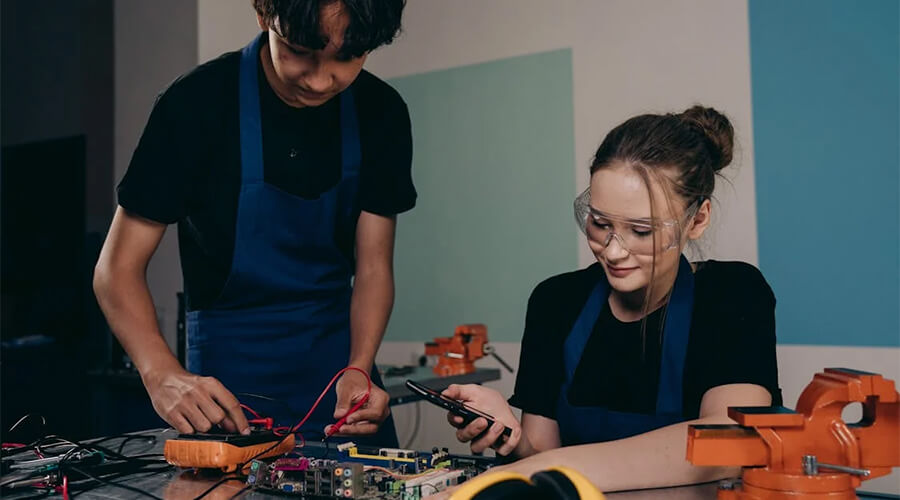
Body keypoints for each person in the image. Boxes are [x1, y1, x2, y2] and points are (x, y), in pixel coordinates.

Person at [93, 0, 414, 446]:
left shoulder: (382, 113)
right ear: (264, 12)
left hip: (339, 377)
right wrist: (161, 372)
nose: (321, 80)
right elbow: (116, 270)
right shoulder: (195, 105)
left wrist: (360, 366)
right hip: (227, 386)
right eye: (301, 50)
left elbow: (375, 267)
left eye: (347, 56)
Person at [439, 106, 781, 492]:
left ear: (697, 220)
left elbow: (729, 443)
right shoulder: (556, 301)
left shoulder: (733, 294)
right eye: (600, 224)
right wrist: (512, 438)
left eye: (640, 230)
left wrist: (542, 467)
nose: (613, 252)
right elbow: (539, 458)